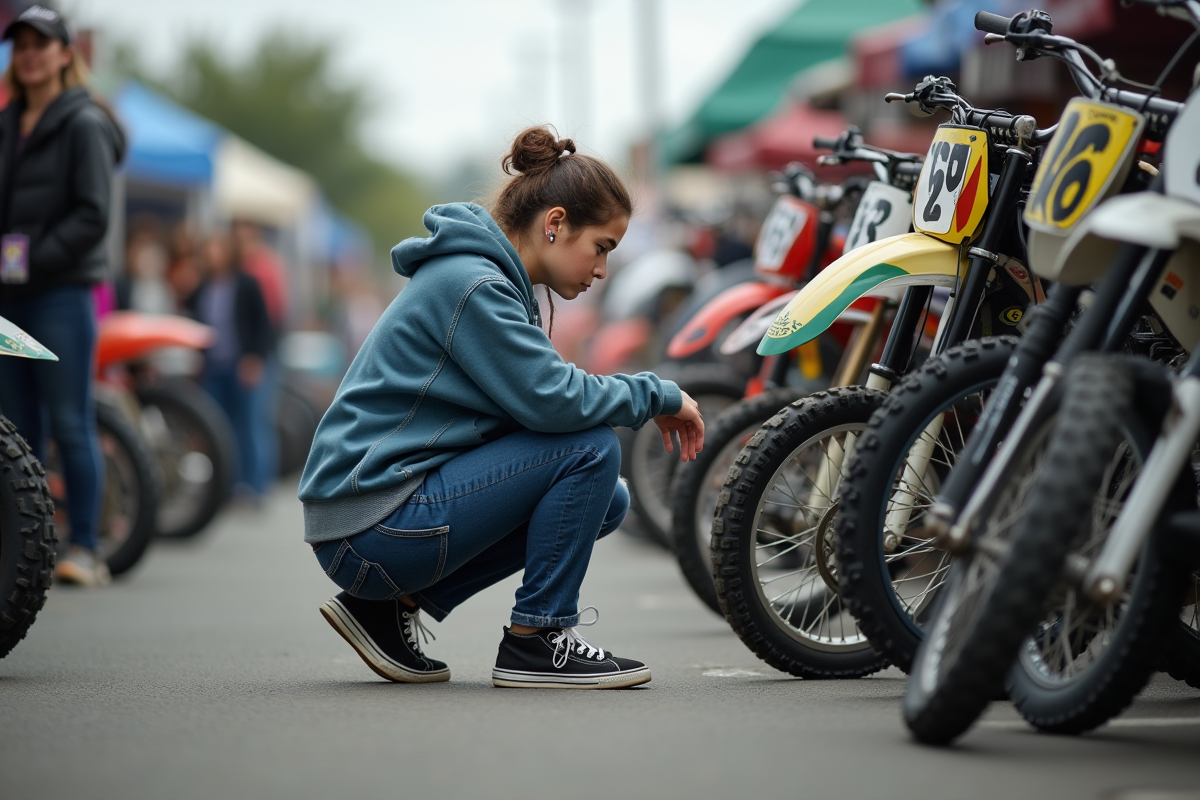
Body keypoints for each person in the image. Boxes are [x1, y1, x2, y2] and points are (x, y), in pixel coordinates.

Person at [299, 127, 704, 689]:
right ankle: (538, 639)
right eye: (602, 248)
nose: (603, 270)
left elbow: (533, 406)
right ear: (555, 223)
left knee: (604, 500)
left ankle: (384, 609)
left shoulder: (485, 280)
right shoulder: (474, 286)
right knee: (589, 448)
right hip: (371, 525)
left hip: (369, 519)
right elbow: (552, 400)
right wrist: (654, 393)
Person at [0, 5, 125, 586]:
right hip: (12, 298)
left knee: (70, 423)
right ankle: (30, 551)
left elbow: (93, 216)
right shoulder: (6, 124)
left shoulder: (84, 122)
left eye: (41, 43)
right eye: (20, 42)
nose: (29, 52)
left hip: (61, 296)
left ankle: (87, 548)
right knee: (18, 434)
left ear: (64, 53)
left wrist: (33, 261)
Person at [185, 231, 275, 502]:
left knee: (248, 425)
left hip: (241, 365)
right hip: (213, 367)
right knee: (217, 428)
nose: (213, 254)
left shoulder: (246, 284)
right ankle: (227, 485)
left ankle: (253, 486)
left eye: (218, 248)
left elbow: (263, 326)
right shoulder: (202, 286)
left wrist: (254, 358)